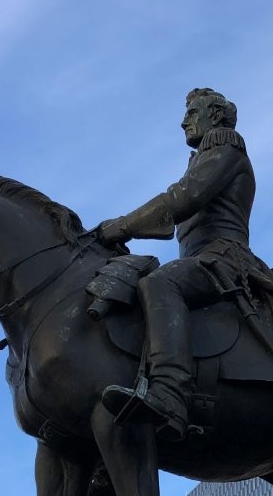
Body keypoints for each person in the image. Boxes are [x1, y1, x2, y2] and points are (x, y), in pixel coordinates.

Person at [95, 87, 258, 441]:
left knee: (159, 283)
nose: (184, 120)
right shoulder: (205, 157)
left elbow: (183, 198)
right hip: (204, 259)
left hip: (226, 259)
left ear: (214, 116)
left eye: (192, 112)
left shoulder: (225, 149)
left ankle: (170, 393)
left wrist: (122, 226)